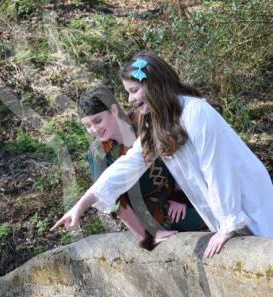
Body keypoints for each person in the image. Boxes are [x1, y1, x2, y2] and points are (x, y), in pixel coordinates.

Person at [51, 51, 273, 258]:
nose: (129, 100)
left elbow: (217, 168)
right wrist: (82, 204)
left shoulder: (196, 112)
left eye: (134, 91)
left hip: (247, 198)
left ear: (155, 86)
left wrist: (229, 224)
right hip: (221, 208)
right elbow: (128, 165)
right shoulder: (156, 124)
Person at [58, 85, 204, 250]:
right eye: (87, 125)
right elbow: (115, 202)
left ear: (113, 110)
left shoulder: (142, 122)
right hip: (152, 213)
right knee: (203, 221)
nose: (94, 129)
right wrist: (147, 236)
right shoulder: (98, 154)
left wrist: (180, 199)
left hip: (182, 192)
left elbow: (174, 156)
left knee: (216, 207)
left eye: (98, 120)